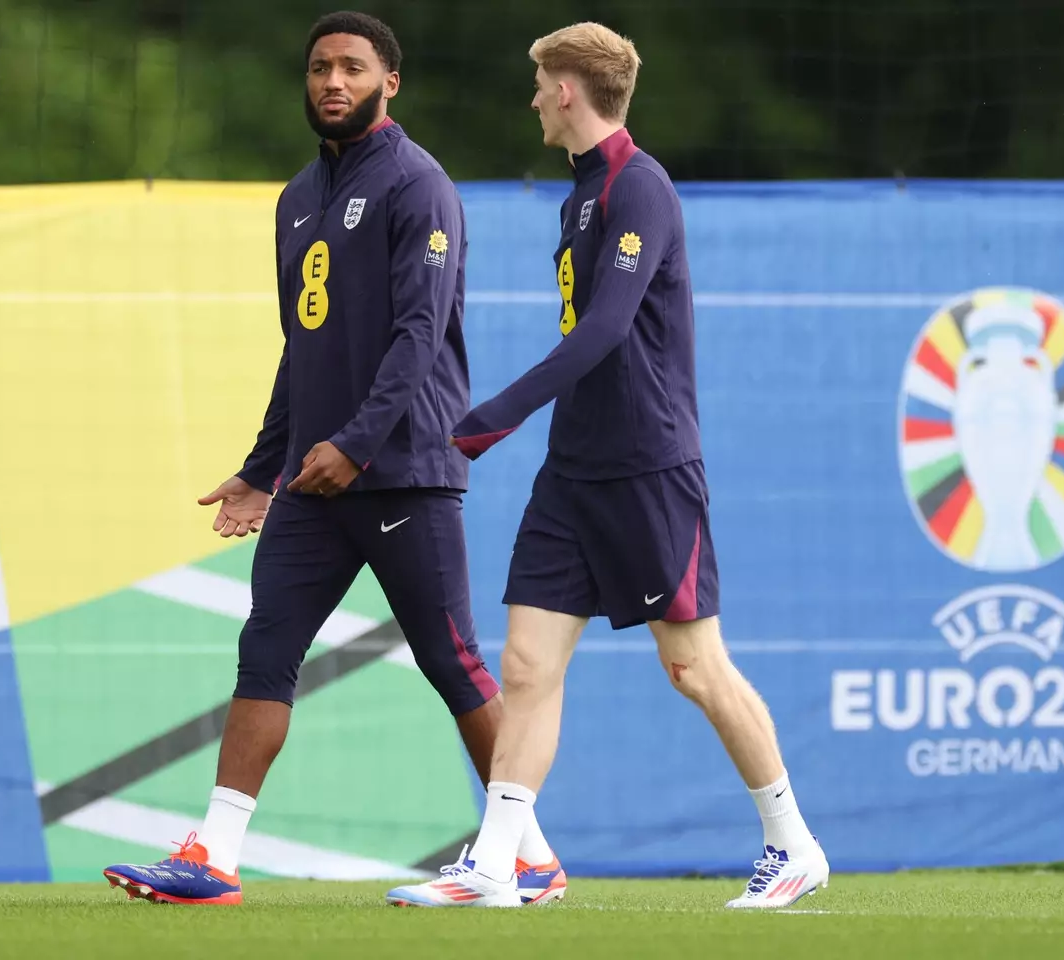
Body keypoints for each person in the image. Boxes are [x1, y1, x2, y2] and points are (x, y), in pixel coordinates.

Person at [102, 10, 562, 907]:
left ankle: (526, 854)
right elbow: (300, 349)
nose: (332, 82)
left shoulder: (419, 184)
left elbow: (420, 336)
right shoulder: (297, 198)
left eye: (352, 67)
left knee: (450, 661)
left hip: (403, 472)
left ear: (390, 82)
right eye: (320, 68)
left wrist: (356, 446)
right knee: (265, 648)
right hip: (316, 480)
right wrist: (261, 467)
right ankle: (215, 857)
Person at [385, 22, 829, 910]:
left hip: (648, 467)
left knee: (694, 667)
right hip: (574, 472)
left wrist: (489, 419)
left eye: (540, 83)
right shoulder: (579, 197)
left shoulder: (643, 188)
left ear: (566, 92)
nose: (532, 99)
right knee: (525, 667)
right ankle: (497, 866)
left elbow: (606, 330)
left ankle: (793, 845)